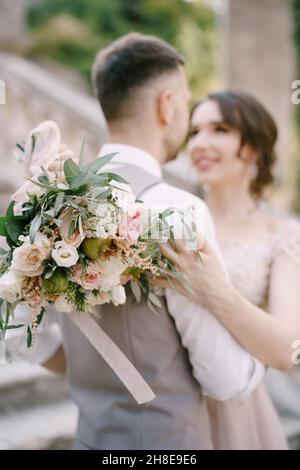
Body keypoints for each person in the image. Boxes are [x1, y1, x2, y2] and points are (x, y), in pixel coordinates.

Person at [6, 36, 265, 450]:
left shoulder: (46, 204)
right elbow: (225, 379)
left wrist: (98, 375)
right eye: (185, 99)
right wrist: (259, 364)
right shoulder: (178, 210)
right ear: (167, 105)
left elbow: (19, 335)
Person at [152, 91, 300, 449]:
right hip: (169, 406)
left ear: (252, 146)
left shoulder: (283, 233)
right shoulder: (173, 224)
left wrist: (211, 289)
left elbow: (287, 350)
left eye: (219, 129)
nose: (200, 143)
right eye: (195, 131)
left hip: (248, 408)